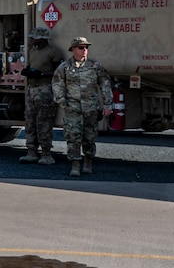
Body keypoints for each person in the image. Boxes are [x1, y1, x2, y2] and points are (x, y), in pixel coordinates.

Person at [51, 37, 114, 176]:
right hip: (72, 108)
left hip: (90, 109)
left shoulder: (95, 66)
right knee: (73, 137)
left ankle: (88, 163)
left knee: (89, 137)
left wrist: (108, 104)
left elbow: (105, 84)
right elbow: (57, 84)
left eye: (86, 47)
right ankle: (75, 165)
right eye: (81, 47)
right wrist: (62, 101)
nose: (84, 50)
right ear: (73, 49)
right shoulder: (65, 67)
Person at [21, 30, 62, 164]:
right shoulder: (33, 51)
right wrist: (27, 71)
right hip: (31, 90)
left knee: (44, 122)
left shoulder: (53, 52)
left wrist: (42, 75)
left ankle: (46, 153)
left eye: (35, 39)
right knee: (30, 121)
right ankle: (31, 151)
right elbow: (30, 66)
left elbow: (59, 72)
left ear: (43, 39)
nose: (33, 41)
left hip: (45, 90)